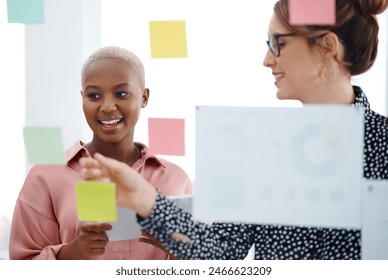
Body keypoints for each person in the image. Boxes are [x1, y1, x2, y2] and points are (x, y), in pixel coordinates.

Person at [79, 0, 388, 260]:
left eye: (277, 43)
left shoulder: (382, 143)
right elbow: (221, 253)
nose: (267, 59)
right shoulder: (263, 149)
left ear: (327, 46)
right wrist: (144, 197)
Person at [9, 46, 192, 260]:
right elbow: (21, 267)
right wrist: (72, 253)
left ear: (144, 97)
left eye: (122, 93)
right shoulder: (46, 176)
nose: (107, 106)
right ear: (82, 98)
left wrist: (181, 249)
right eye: (94, 95)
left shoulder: (176, 179)